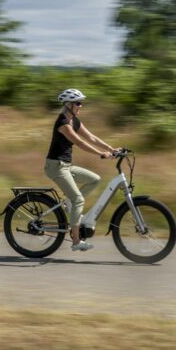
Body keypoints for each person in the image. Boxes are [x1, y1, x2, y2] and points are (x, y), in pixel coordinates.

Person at [44, 89, 118, 252]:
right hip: (56, 167)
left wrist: (111, 149)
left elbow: (91, 137)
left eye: (81, 103)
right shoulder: (63, 123)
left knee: (95, 179)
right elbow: (80, 143)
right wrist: (101, 154)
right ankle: (76, 240)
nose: (81, 106)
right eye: (78, 103)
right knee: (78, 200)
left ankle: (71, 206)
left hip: (66, 166)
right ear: (69, 104)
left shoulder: (75, 120)